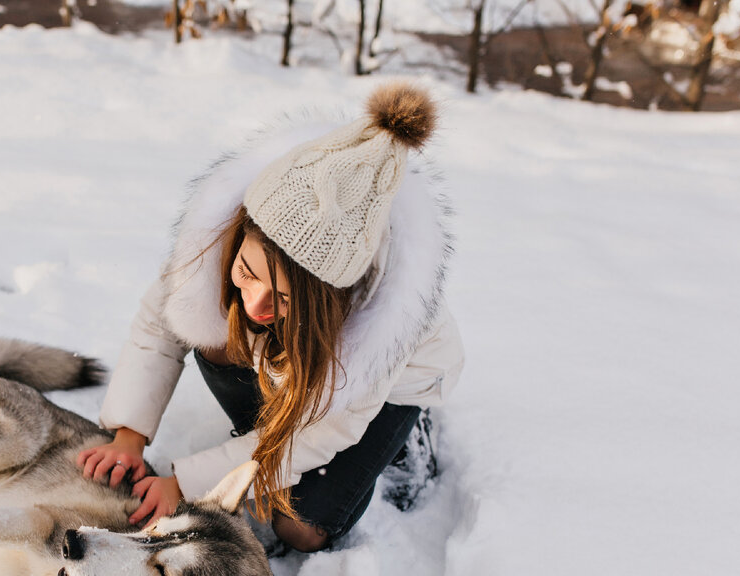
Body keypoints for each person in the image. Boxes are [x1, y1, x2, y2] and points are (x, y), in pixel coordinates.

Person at [76, 81, 464, 552]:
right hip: (293, 352)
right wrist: (129, 436)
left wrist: (188, 484)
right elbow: (162, 325)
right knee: (210, 328)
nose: (255, 303)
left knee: (300, 527)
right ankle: (264, 428)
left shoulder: (375, 328)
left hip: (391, 387)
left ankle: (405, 434)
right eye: (246, 270)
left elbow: (319, 434)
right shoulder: (223, 233)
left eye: (282, 299)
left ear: (328, 302)